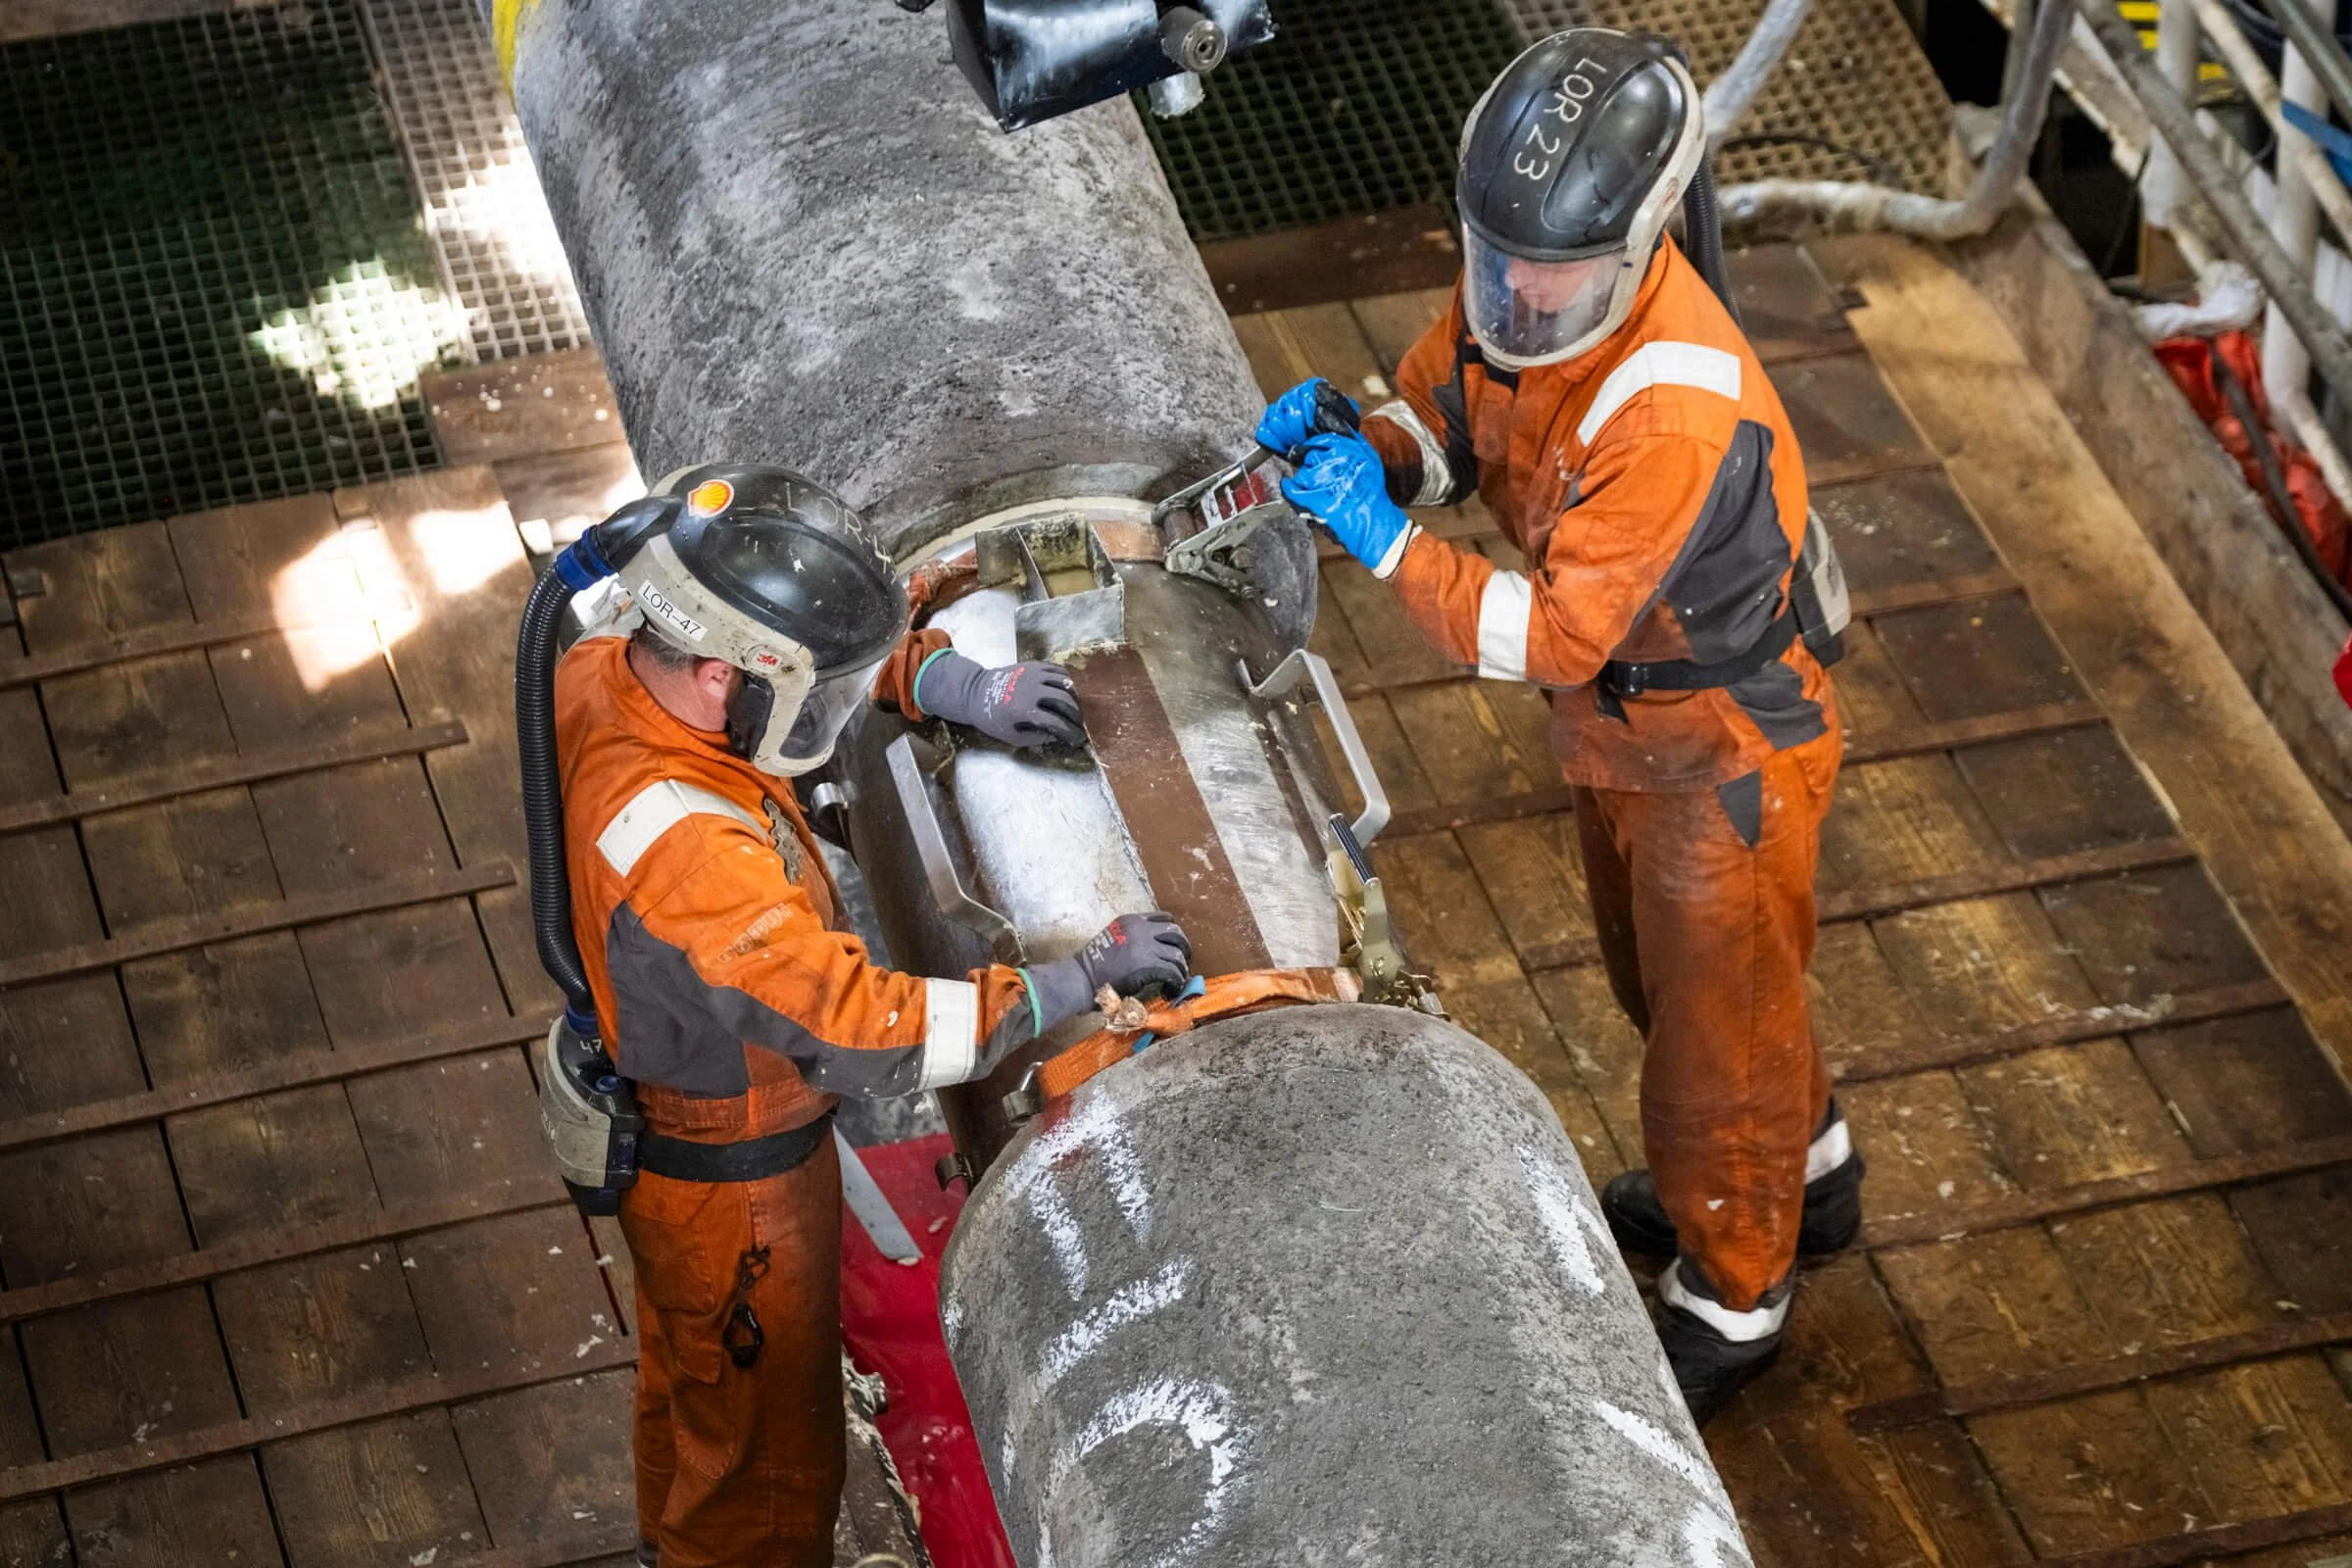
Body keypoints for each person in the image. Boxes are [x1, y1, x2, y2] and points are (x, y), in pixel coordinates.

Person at [1255, 28, 1862, 1423]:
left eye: (1547, 274)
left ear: (1640, 246)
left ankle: (1737, 1289)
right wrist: (1371, 442)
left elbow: (1551, 634)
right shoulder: (1529, 295)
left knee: (1713, 1035)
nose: (1514, 293)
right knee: (1700, 994)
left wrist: (1383, 540)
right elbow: (1450, 409)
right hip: (1629, 737)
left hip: (1721, 748)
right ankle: (1806, 1171)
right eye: (1496, 260)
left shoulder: (1673, 407)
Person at [552, 464, 1190, 1564]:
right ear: (719, 678)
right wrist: (1066, 981)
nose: (832, 713)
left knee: (696, 1388)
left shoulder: (606, 671)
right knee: (767, 1458)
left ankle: (674, 1544)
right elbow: (867, 1030)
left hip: (672, 1131)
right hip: (736, 1182)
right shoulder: (689, 857)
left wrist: (937, 680)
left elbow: (789, 656)